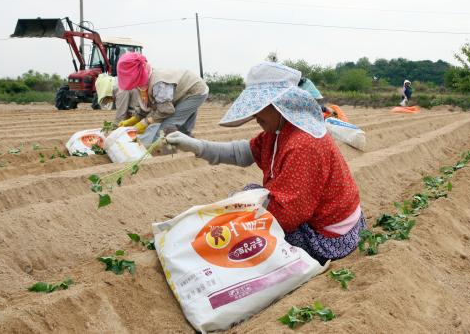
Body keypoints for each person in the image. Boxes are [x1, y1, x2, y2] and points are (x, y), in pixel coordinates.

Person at [166, 62, 366, 265]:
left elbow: (287, 217)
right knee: (247, 202)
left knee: (248, 227)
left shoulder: (302, 144)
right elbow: (243, 153)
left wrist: (237, 220)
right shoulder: (279, 130)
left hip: (330, 238)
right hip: (324, 222)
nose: (255, 116)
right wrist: (195, 146)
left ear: (281, 103)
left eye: (259, 107)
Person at [115, 52, 209, 144]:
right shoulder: (143, 83)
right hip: (181, 91)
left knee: (166, 126)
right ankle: (186, 141)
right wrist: (135, 118)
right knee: (177, 127)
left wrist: (145, 122)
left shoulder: (158, 84)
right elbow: (148, 105)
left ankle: (149, 148)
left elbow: (165, 110)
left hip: (194, 91)